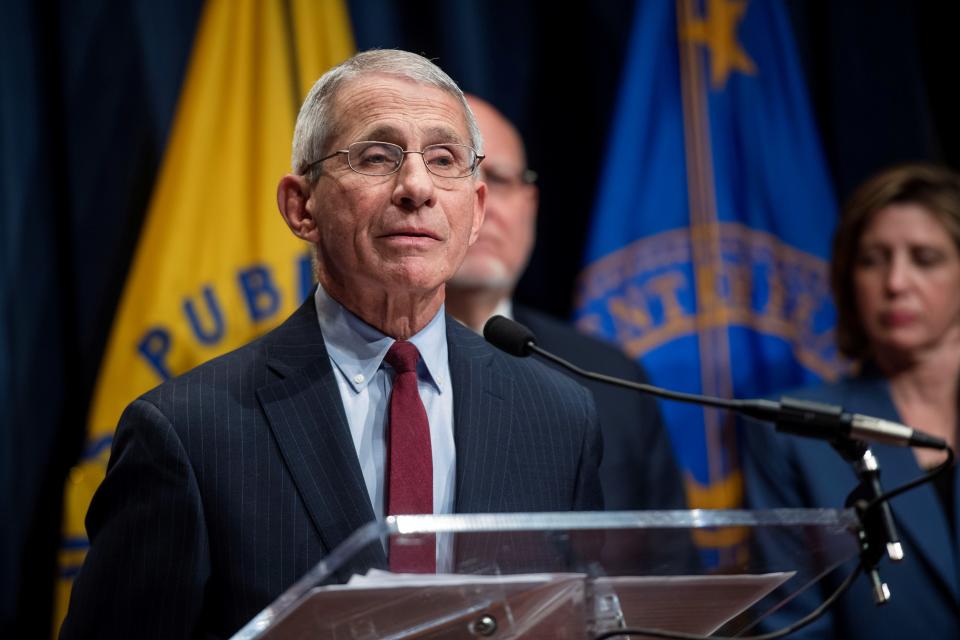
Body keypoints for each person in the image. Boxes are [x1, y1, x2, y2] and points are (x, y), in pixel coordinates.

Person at [60, 50, 603, 639]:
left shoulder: (557, 418)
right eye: (377, 156)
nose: (416, 186)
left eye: (444, 159)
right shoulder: (188, 432)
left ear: (474, 212)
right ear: (301, 207)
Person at [742, 163, 960, 638]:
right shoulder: (795, 432)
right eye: (873, 260)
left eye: (925, 258)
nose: (896, 282)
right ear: (847, 277)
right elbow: (792, 626)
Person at [446, 95, 687, 514]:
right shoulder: (367, 368)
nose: (478, 206)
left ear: (531, 206)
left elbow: (668, 563)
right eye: (452, 175)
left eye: (499, 179)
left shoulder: (611, 378)